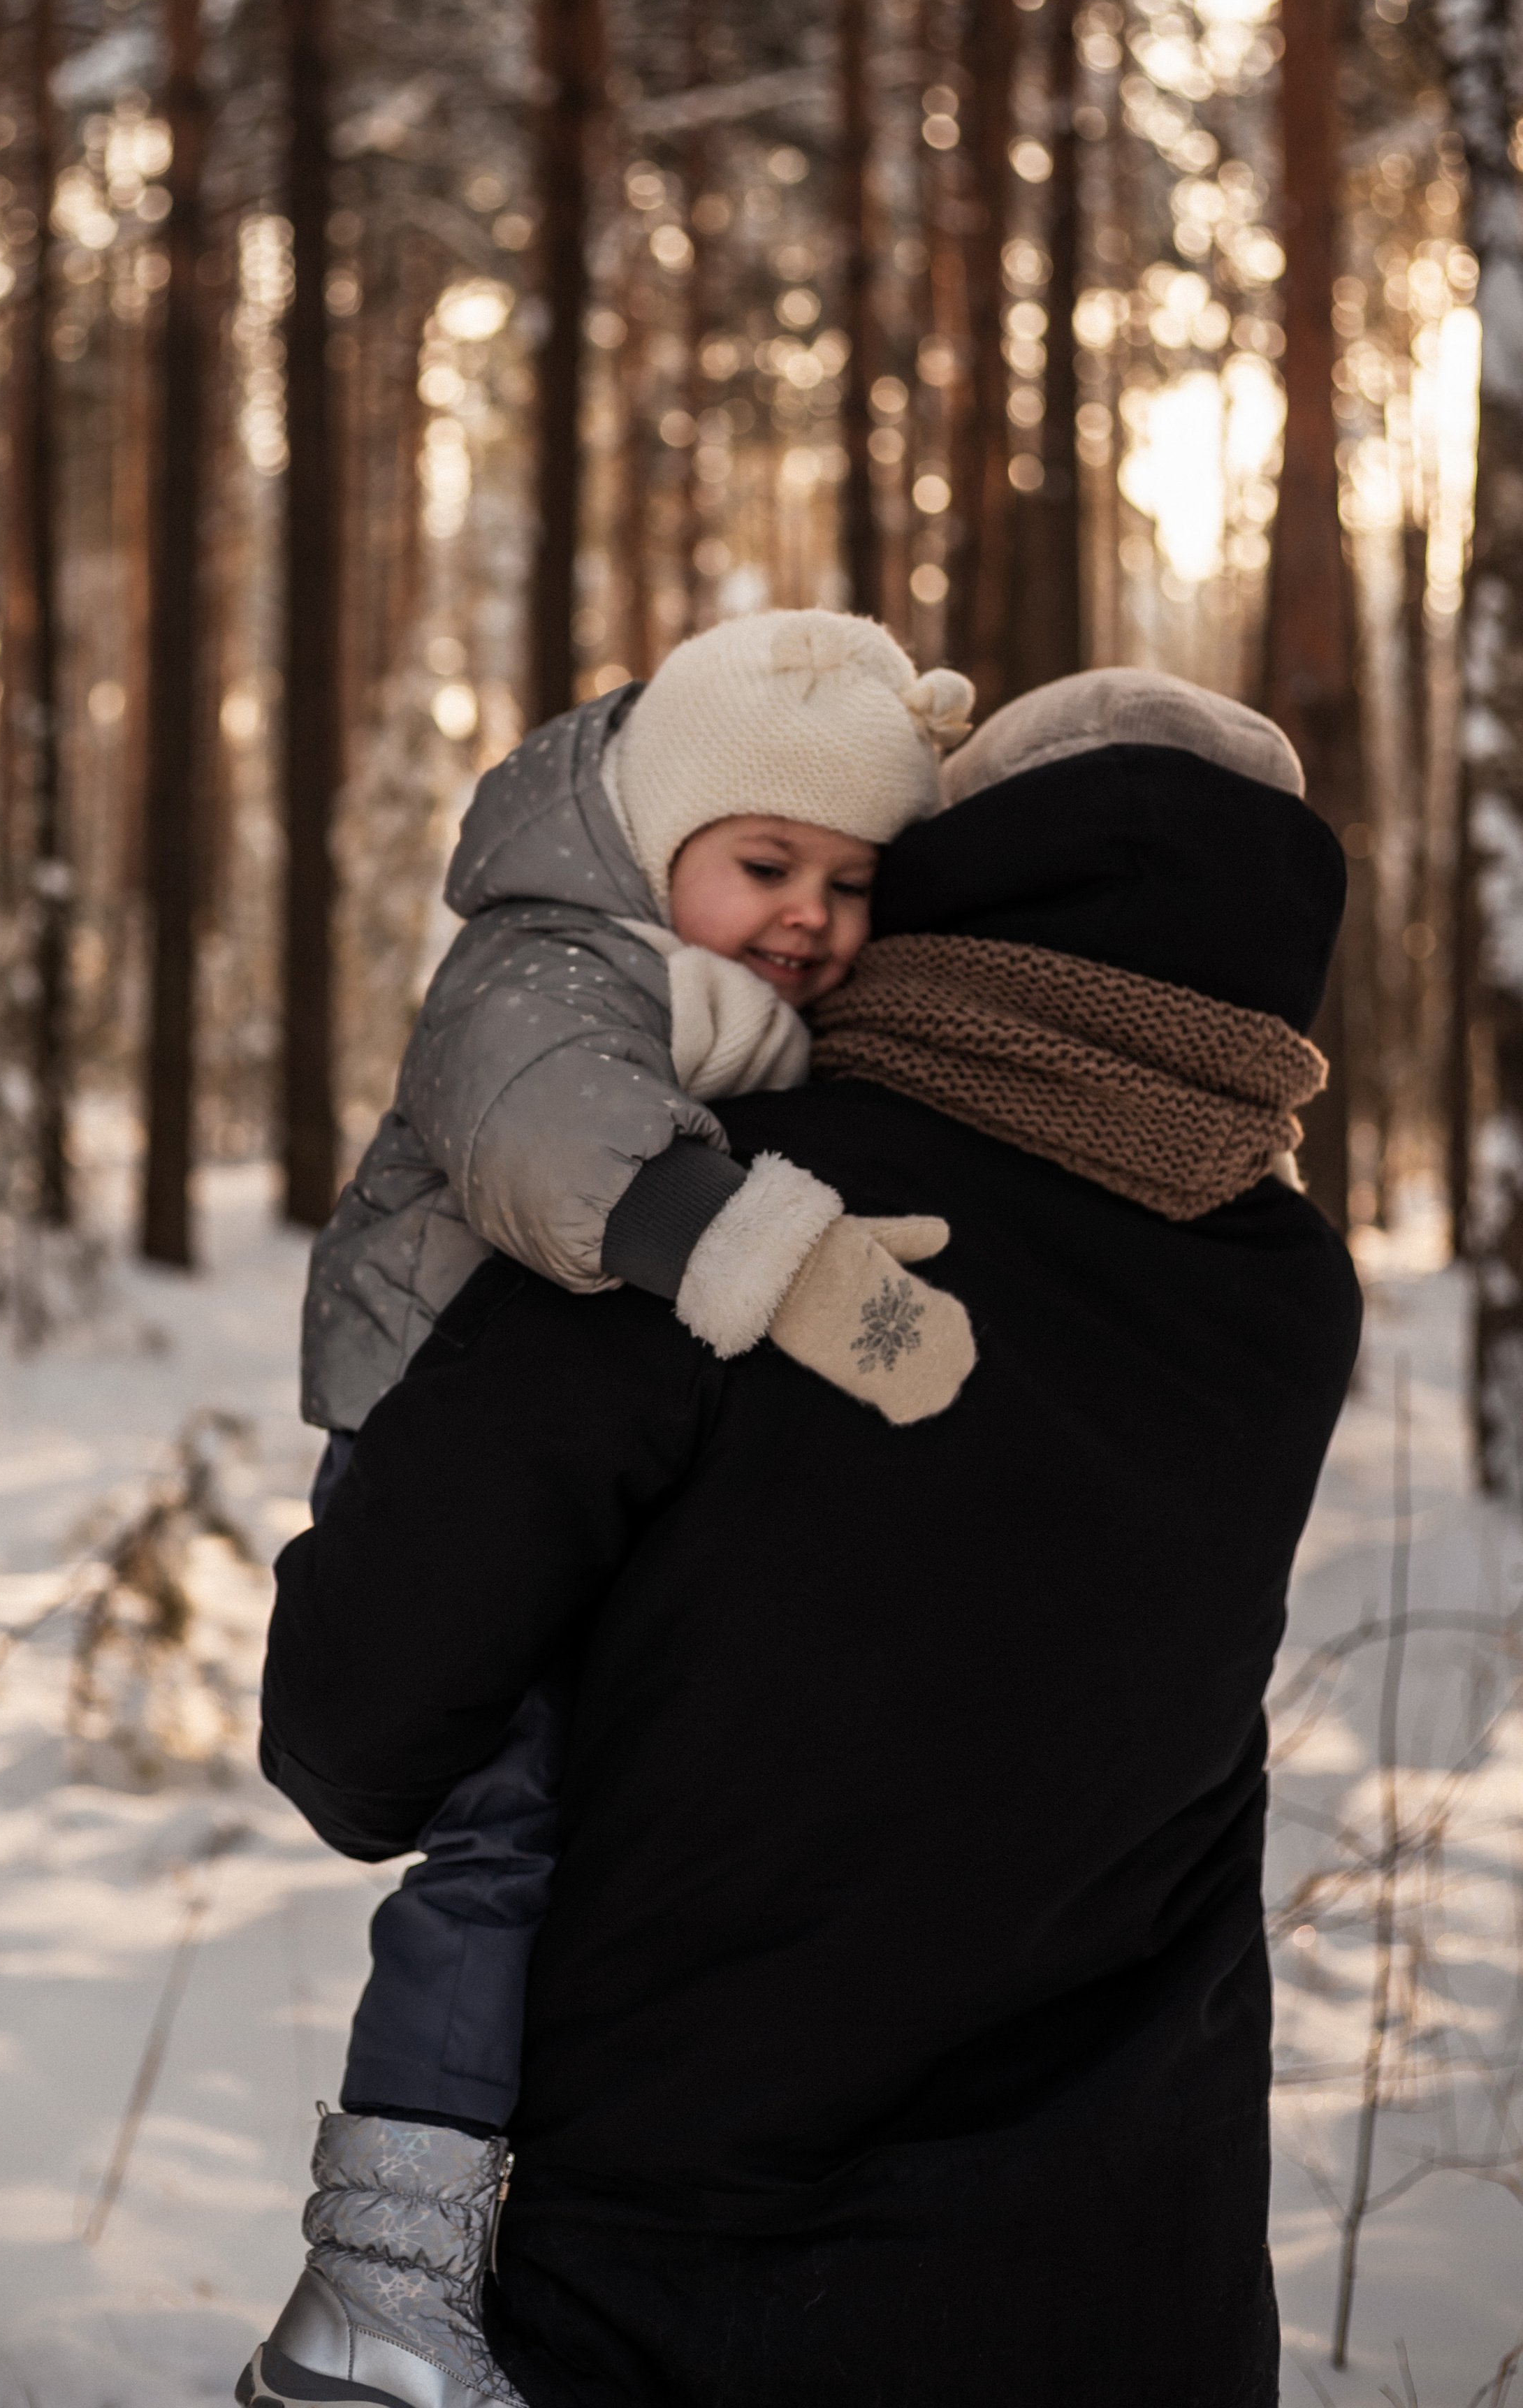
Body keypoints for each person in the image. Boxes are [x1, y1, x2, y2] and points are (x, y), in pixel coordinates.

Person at [254, 666, 1363, 2408]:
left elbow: (355, 1729)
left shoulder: (726, 1213)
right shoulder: (1282, 1294)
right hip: (1137, 2291)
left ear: (951, 872)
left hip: (687, 2281)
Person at [245, 612, 977, 2408]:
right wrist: (798, 1282)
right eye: (762, 862)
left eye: (849, 877)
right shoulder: (547, 966)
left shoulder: (738, 1008)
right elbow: (557, 1146)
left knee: (603, 1838)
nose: (806, 911)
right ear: (654, 843)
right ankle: (374, 2282)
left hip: (565, 1484)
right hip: (435, 1462)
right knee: (498, 1845)